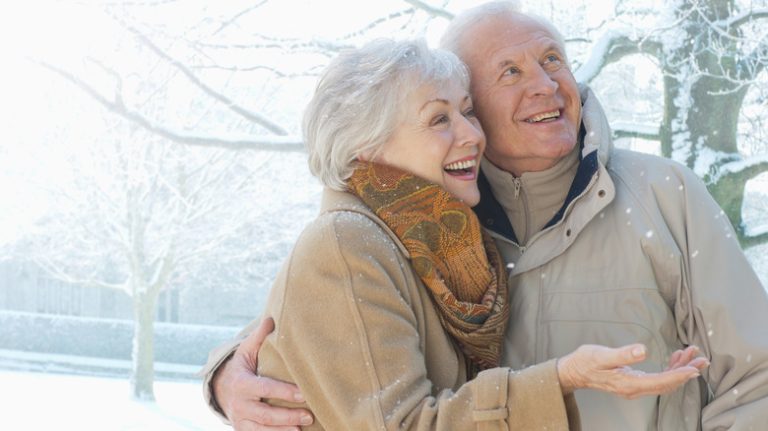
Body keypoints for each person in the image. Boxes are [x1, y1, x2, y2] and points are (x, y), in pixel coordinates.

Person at [204, 2, 768, 430]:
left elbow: (757, 377)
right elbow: (329, 323)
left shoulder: (664, 195)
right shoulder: (424, 227)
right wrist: (230, 374)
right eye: (509, 73)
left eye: (552, 59)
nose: (546, 85)